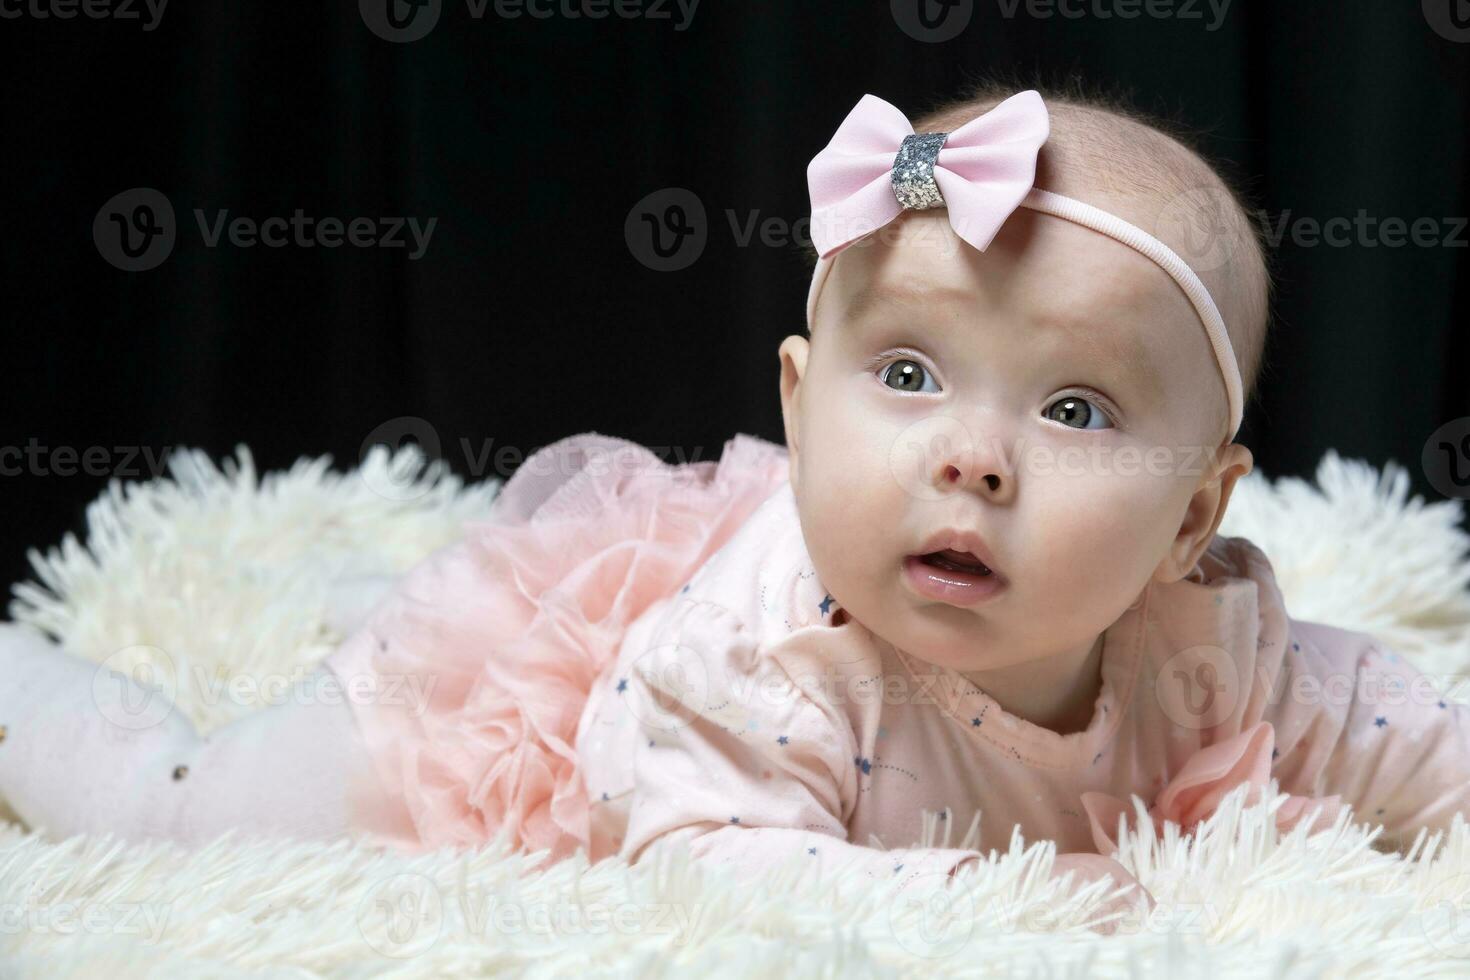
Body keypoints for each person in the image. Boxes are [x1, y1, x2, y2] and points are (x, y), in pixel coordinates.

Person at [4, 78, 1464, 922]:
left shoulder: (1215, 649)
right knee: (190, 809)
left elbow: (1416, 742)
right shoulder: (755, 666)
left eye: (1072, 409)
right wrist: (1033, 922)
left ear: (1193, 525)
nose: (970, 456)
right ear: (793, 400)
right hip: (541, 710)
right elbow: (719, 881)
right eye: (901, 374)